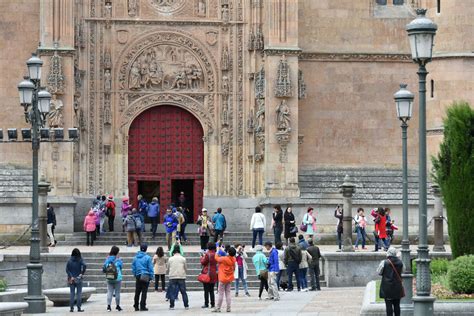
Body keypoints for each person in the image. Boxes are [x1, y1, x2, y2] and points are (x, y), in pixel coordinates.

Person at [377, 247, 404, 316]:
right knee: (397, 305)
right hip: (397, 287)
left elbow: (379, 272)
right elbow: (403, 271)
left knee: (388, 306)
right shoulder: (401, 263)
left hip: (387, 287)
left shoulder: (384, 262)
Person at [131, 243, 154, 311]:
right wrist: (151, 276)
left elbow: (133, 267)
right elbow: (150, 268)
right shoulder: (148, 257)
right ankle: (142, 306)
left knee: (137, 291)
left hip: (138, 275)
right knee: (144, 291)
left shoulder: (135, 258)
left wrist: (135, 274)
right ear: (146, 249)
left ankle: (136, 306)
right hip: (145, 275)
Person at [213, 247, 236, 313]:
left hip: (223, 278)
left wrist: (217, 251)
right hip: (229, 278)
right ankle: (228, 308)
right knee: (228, 293)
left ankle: (218, 308)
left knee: (221, 293)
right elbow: (228, 256)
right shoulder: (233, 259)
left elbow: (216, 258)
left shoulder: (224, 259)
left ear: (228, 252)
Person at [167, 245, 189, 310]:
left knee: (172, 292)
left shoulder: (170, 259)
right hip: (181, 276)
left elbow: (167, 268)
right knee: (183, 292)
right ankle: (186, 305)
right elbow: (186, 268)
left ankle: (172, 306)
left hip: (172, 276)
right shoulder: (183, 259)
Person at [103, 246, 123, 312]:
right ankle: (117, 306)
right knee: (117, 292)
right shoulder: (118, 259)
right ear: (117, 252)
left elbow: (104, 268)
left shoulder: (107, 259)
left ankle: (108, 306)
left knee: (109, 292)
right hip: (118, 278)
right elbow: (121, 267)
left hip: (109, 277)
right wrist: (119, 259)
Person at [66, 248, 87, 313]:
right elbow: (85, 265)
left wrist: (71, 276)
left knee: (72, 293)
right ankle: (79, 307)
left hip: (71, 279)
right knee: (79, 293)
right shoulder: (80, 260)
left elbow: (67, 270)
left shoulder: (69, 260)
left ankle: (71, 308)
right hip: (78, 278)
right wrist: (82, 273)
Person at [200, 242, 218, 309]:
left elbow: (203, 262)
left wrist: (201, 257)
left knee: (206, 290)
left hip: (207, 273)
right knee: (212, 290)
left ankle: (206, 303)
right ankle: (213, 304)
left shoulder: (208, 254)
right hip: (213, 273)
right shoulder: (216, 254)